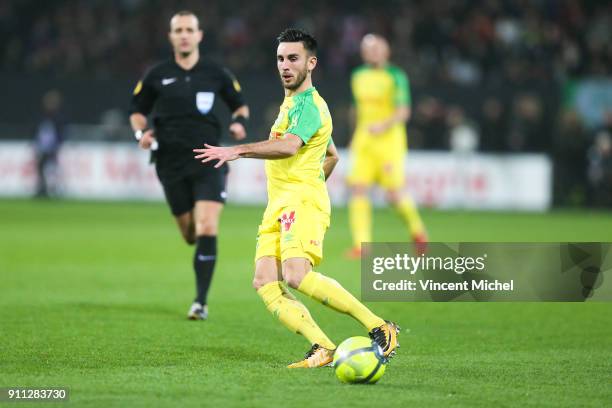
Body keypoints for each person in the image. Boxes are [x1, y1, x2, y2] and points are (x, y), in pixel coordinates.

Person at [194, 29, 399, 368]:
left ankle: (380, 327)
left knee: (295, 275)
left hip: (299, 202)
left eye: (293, 58)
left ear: (311, 62)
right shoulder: (291, 104)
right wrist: (313, 180)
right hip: (280, 203)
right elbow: (331, 154)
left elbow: (290, 146)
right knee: (264, 280)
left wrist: (239, 151)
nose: (285, 66)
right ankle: (322, 346)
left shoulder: (310, 105)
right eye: (280, 58)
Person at [129, 11, 249, 320]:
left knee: (208, 225)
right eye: (178, 30)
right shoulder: (156, 74)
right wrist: (142, 133)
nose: (184, 34)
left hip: (209, 157)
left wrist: (237, 124)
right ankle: (199, 254)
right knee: (190, 234)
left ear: (199, 35)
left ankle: (200, 302)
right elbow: (137, 112)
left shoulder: (215, 73)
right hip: (170, 162)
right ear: (171, 36)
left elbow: (240, 105)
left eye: (189, 29)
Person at [346, 34, 427, 258]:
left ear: (386, 51)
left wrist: (383, 125)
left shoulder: (396, 76)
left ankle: (418, 232)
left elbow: (403, 111)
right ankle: (361, 245)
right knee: (358, 189)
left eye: (376, 48)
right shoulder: (358, 76)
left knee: (393, 194)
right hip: (365, 141)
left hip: (389, 141)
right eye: (367, 49)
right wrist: (354, 135)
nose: (371, 52)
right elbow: (357, 109)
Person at [34, 89, 65, 198]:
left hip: (53, 148)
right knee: (40, 168)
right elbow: (37, 132)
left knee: (52, 169)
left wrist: (58, 145)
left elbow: (61, 133)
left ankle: (53, 189)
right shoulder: (42, 116)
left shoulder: (58, 117)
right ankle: (42, 189)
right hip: (42, 147)